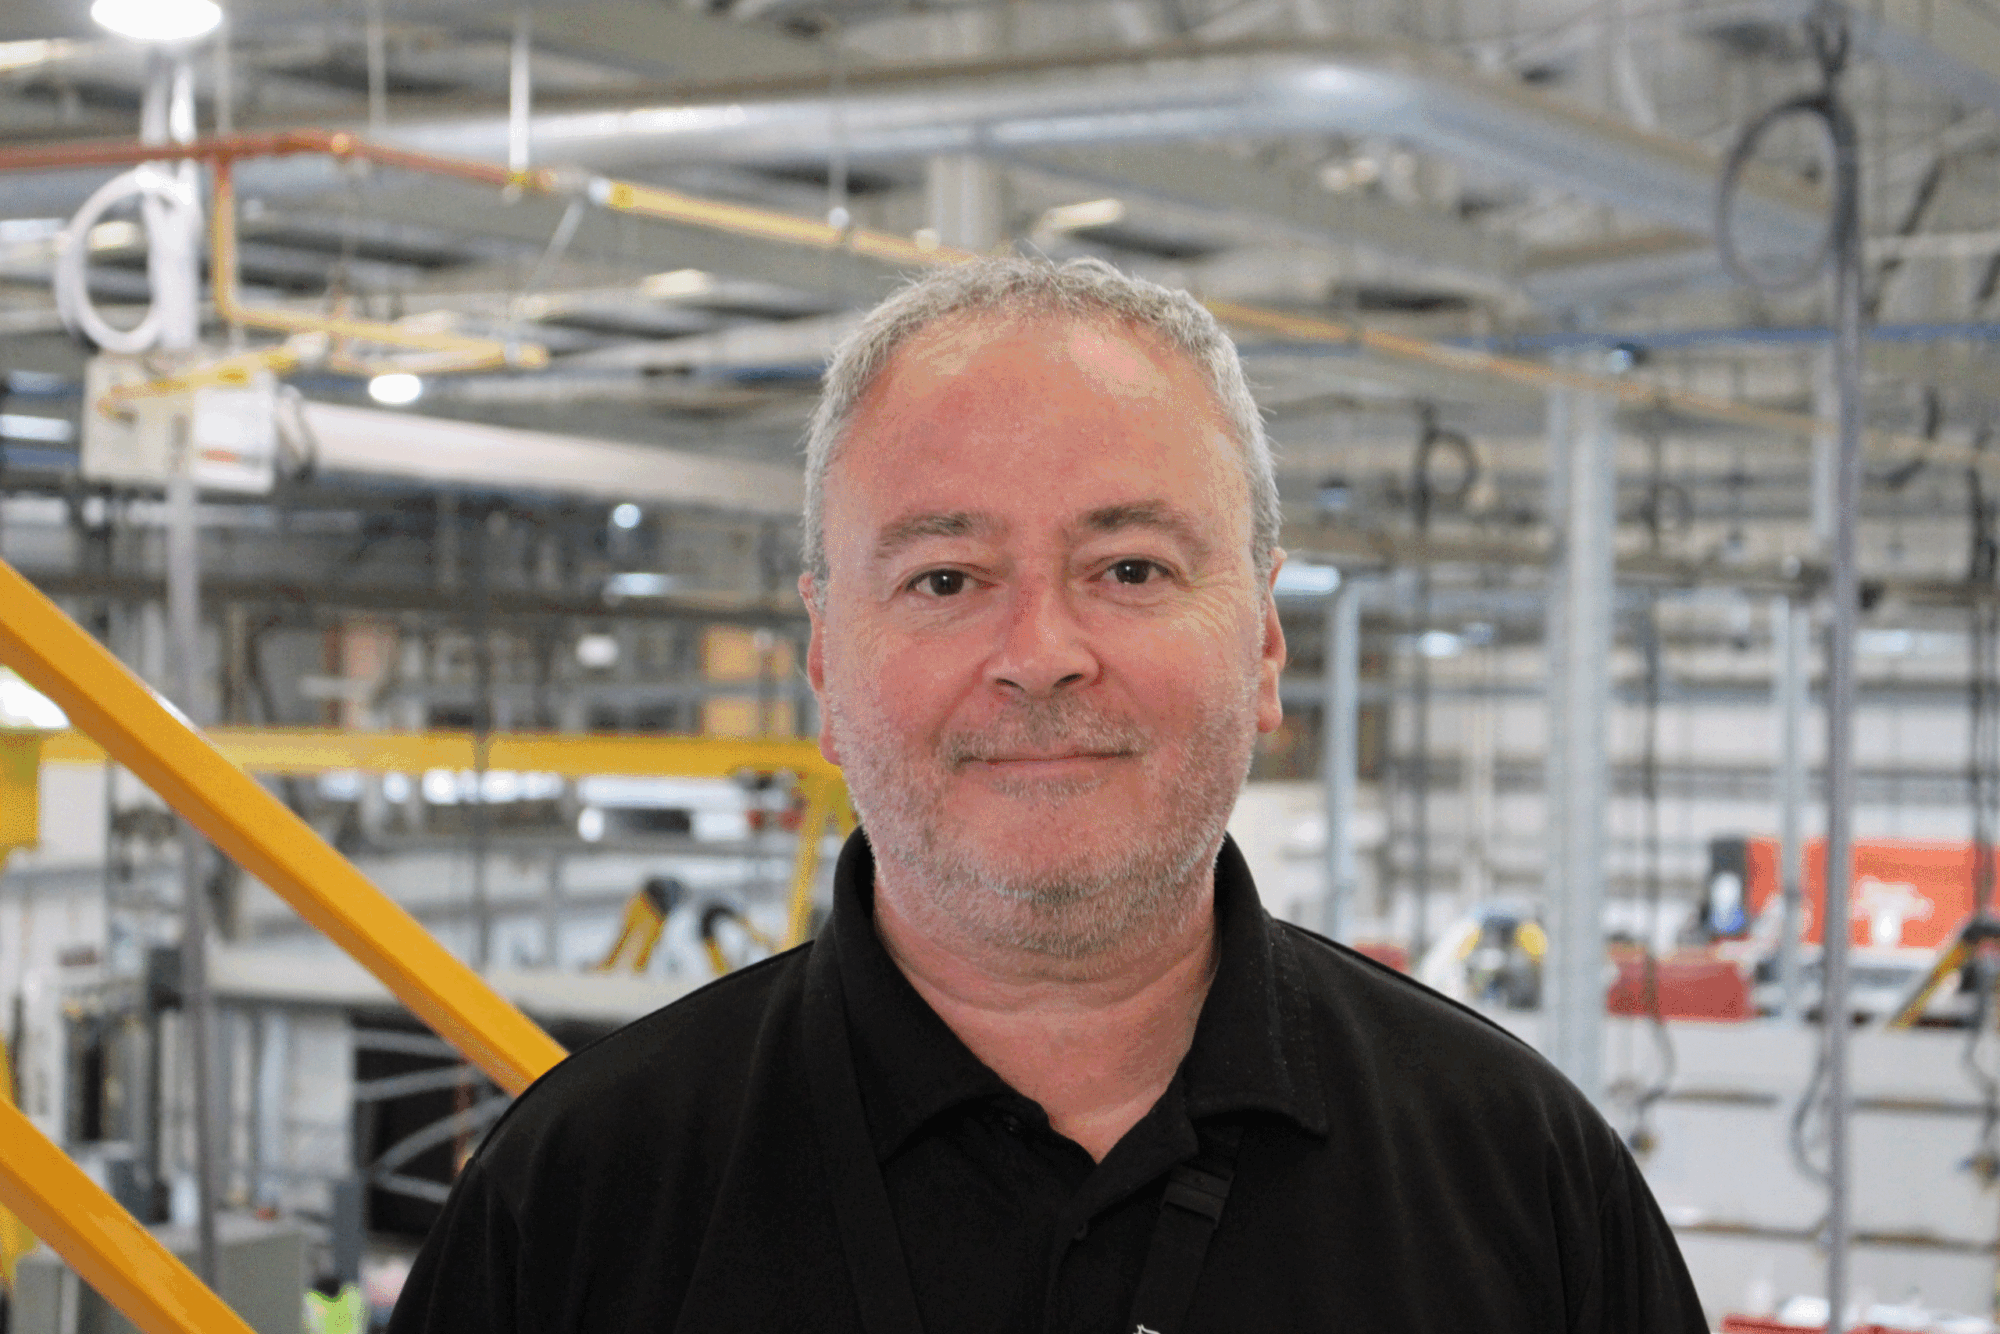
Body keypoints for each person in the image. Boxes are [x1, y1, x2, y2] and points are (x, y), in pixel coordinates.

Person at [388, 257, 1707, 1333]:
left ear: (1263, 642)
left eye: (1130, 568)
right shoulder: (571, 1208)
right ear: (825, 661)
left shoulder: (1524, 1185)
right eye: (945, 579)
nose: (1040, 653)